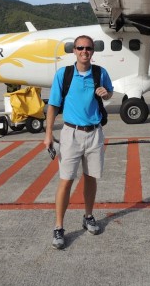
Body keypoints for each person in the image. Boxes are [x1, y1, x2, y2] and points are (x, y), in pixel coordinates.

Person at [43, 35, 113, 250]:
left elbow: (109, 94)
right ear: (74, 50)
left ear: (93, 51)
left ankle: (88, 216)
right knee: (66, 180)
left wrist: (106, 93)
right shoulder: (63, 74)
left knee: (91, 178)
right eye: (80, 48)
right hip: (71, 134)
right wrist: (48, 135)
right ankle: (58, 227)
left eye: (88, 48)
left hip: (94, 133)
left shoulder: (100, 73)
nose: (85, 51)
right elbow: (53, 106)